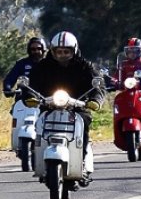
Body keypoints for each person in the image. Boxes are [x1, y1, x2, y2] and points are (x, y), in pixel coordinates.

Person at [28, 31, 105, 185]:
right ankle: (38, 160)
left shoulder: (85, 66)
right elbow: (31, 84)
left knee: (83, 126)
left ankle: (81, 163)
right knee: (38, 127)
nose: (62, 55)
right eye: (59, 51)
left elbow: (98, 84)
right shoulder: (43, 66)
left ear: (74, 50)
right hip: (49, 105)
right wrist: (30, 96)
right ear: (52, 51)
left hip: (78, 107)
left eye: (66, 52)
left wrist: (95, 99)